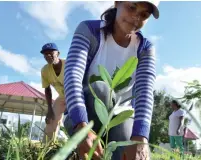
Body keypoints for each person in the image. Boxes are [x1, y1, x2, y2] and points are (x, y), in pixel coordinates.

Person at [63, 1, 159, 159]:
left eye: (144, 14)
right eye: (132, 7)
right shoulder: (90, 30)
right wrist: (81, 127)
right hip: (82, 114)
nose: (136, 17)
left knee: (126, 151)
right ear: (117, 3)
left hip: (121, 114)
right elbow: (73, 74)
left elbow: (145, 92)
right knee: (101, 90)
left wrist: (141, 138)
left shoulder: (145, 48)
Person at [40, 43, 66, 142]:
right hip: (62, 97)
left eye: (51, 53)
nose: (48, 56)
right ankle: (46, 148)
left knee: (74, 119)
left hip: (75, 94)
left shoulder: (68, 64)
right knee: (51, 119)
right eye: (45, 54)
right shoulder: (45, 70)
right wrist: (49, 110)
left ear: (58, 53)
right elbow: (47, 89)